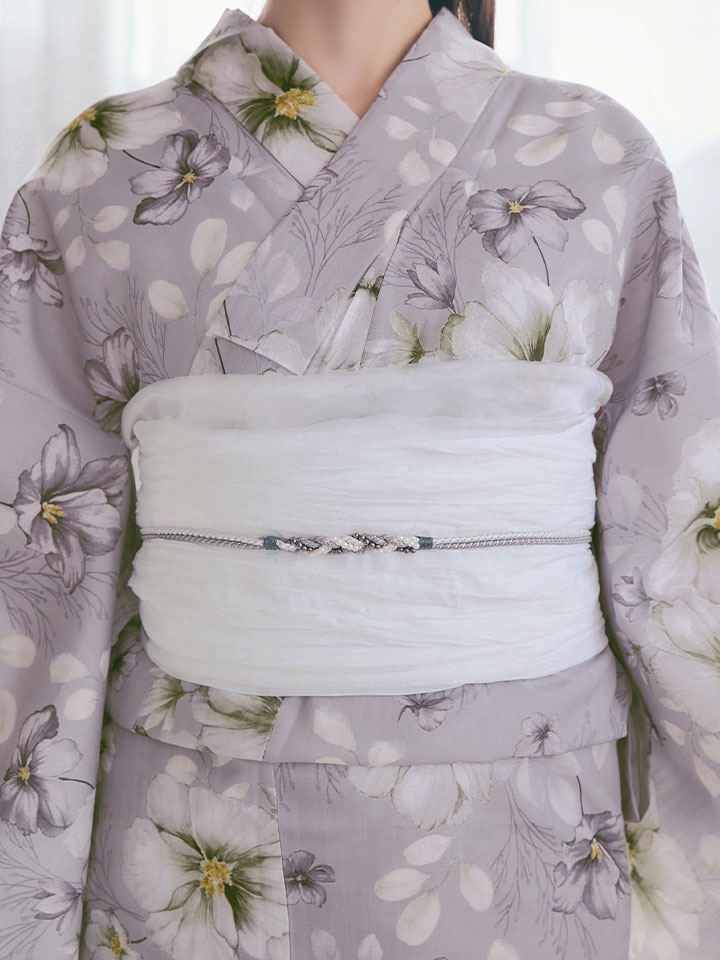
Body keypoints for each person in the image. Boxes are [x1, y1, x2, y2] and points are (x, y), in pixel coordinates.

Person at [0, 1, 718, 957]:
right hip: (195, 818)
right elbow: (38, 565)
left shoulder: (596, 153)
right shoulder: (101, 167)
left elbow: (677, 525)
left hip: (527, 800)